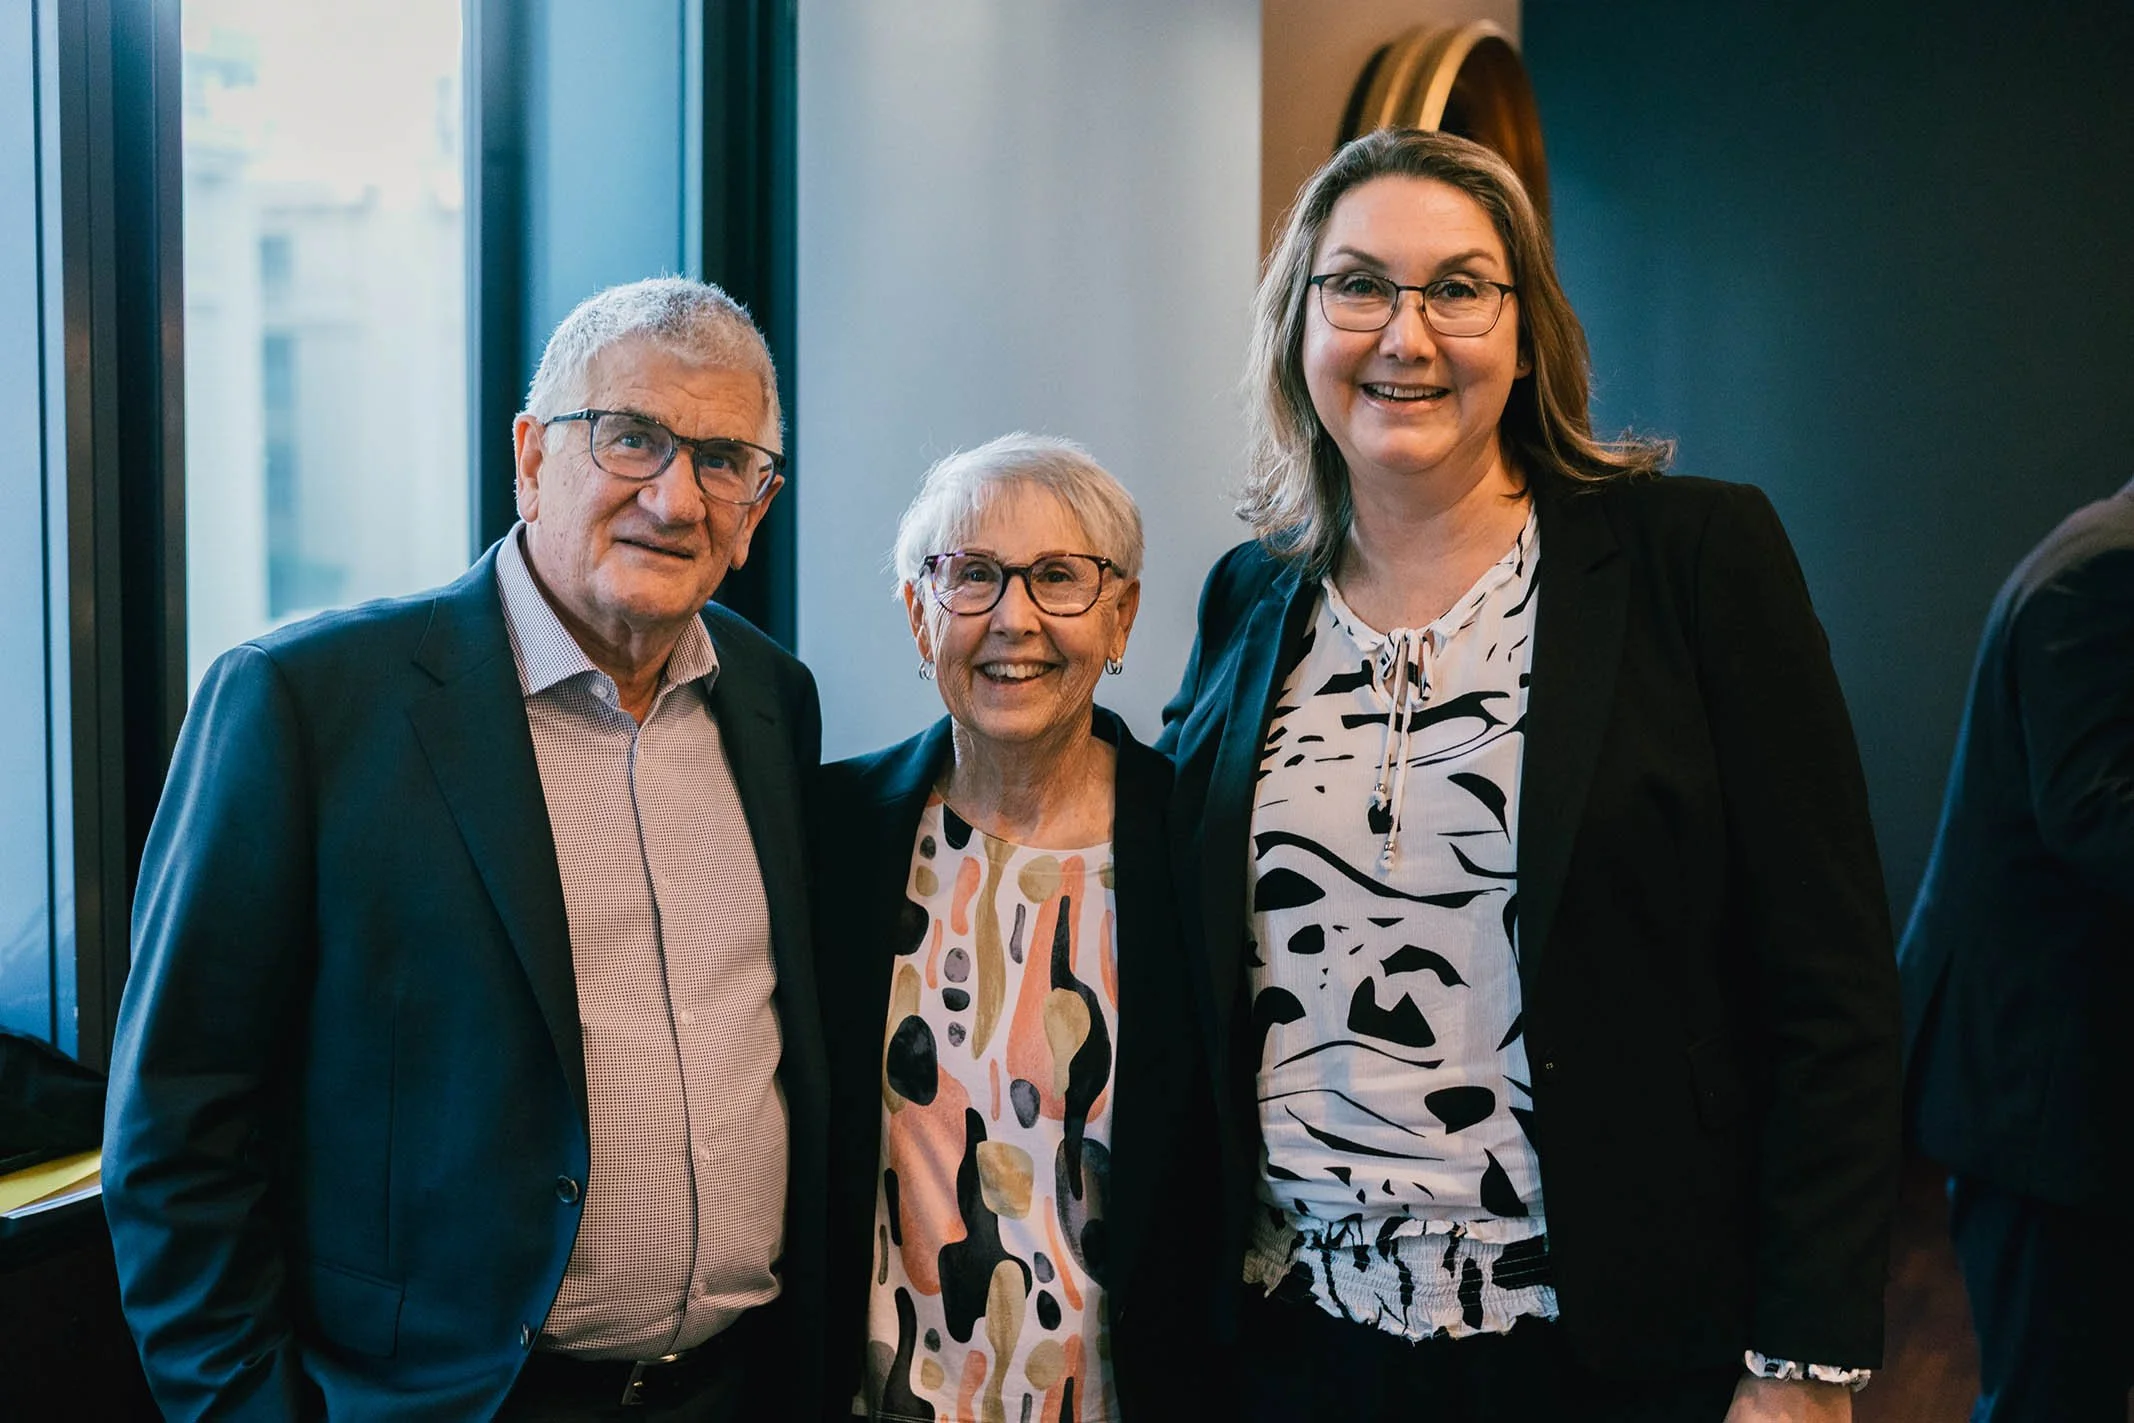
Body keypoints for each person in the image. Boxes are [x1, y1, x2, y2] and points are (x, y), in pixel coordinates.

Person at [1160, 129, 1901, 1422]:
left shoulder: (1689, 557)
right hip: (1295, 1341)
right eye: (1358, 286)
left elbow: (1830, 985)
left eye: (1457, 287)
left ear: (1525, 326)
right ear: (1298, 324)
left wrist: (1798, 1362)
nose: (1406, 334)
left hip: (1606, 1343)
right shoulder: (1247, 594)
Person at [104, 277, 827, 1422]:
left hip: (736, 1387)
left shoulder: (773, 701)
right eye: (632, 439)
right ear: (533, 456)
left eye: (723, 460)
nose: (676, 497)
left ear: (758, 505)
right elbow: (178, 1118)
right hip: (451, 1400)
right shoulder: (305, 707)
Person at [815, 435, 1218, 1422]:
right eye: (972, 577)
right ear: (919, 616)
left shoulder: (1202, 846)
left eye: (1057, 579)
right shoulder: (831, 836)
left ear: (1119, 616)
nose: (1014, 619)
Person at [1898, 481, 2134, 1422]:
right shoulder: (2103, 573)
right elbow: (2094, 814)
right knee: (2050, 1395)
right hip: (2042, 1086)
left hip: (2074, 1071)